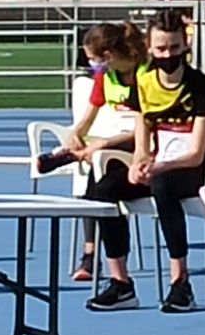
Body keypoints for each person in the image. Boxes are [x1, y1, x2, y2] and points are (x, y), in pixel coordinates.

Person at [35, 17, 147, 292]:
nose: (91, 65)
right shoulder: (106, 76)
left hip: (149, 145)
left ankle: (98, 259)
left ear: (108, 55)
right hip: (122, 142)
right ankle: (91, 253)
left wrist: (103, 144)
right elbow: (91, 112)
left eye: (93, 59)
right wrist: (77, 134)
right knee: (96, 177)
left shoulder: (146, 75)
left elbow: (149, 127)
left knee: (101, 164)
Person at [124, 8, 205, 310]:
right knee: (104, 185)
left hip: (193, 170)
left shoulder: (200, 86)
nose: (168, 55)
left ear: (185, 45)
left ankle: (180, 282)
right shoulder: (142, 83)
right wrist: (138, 164)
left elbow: (196, 155)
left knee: (163, 186)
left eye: (175, 47)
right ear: (149, 48)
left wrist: (159, 168)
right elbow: (142, 139)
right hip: (159, 165)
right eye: (161, 48)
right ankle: (120, 283)